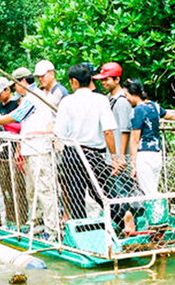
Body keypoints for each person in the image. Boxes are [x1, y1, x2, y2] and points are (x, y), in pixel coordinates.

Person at [0, 68, 60, 240]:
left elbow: (17, 116)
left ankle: (52, 230)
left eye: (15, 85)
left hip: (40, 150)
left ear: (23, 82)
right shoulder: (27, 98)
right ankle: (37, 224)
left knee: (44, 190)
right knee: (31, 191)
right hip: (29, 149)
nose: (15, 90)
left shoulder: (34, 96)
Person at [53, 63, 124, 224]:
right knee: (103, 191)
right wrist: (114, 157)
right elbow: (108, 131)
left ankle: (82, 231)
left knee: (76, 194)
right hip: (95, 153)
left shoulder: (67, 101)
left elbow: (59, 133)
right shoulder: (101, 100)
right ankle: (122, 219)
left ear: (74, 82)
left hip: (73, 154)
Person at [124, 79, 175, 196]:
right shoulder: (154, 106)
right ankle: (157, 212)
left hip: (144, 155)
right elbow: (167, 115)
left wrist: (133, 165)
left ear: (134, 94)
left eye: (126, 95)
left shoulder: (137, 111)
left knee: (149, 193)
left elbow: (135, 141)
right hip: (156, 154)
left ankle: (157, 214)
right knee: (153, 188)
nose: (126, 98)